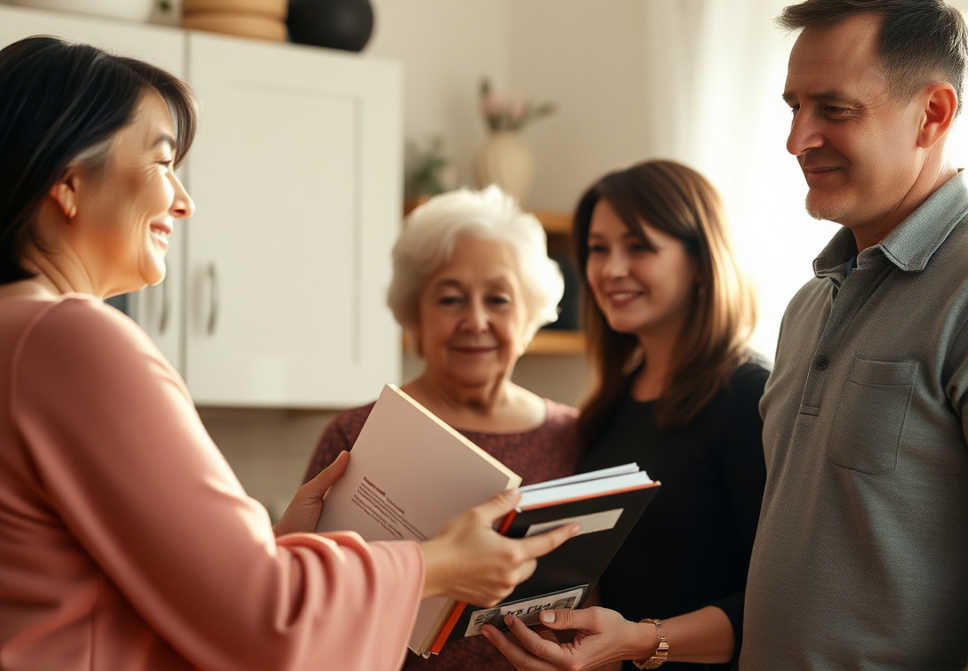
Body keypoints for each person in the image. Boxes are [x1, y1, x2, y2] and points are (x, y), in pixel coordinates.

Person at [0, 36, 577, 671]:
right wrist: (439, 564)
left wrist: (281, 549)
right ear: (70, 181)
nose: (184, 201)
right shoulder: (73, 340)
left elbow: (179, 590)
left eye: (498, 300)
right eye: (164, 163)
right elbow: (262, 613)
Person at [739, 1, 968, 669]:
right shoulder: (809, 304)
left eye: (834, 110)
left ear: (934, 114)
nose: (797, 139)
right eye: (793, 107)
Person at [483, 159, 769, 670]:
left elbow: (777, 606)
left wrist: (641, 641)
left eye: (639, 246)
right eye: (597, 249)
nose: (611, 269)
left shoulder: (750, 398)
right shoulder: (611, 404)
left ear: (701, 261)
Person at [303, 185, 585, 671]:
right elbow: (306, 597)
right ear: (415, 313)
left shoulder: (575, 433)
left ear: (530, 313)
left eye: (498, 300)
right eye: (451, 299)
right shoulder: (358, 433)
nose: (475, 321)